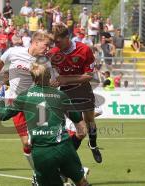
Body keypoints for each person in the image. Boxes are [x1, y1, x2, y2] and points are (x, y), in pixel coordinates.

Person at [0, 61, 89, 186]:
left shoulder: (25, 96)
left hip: (42, 151)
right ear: (49, 77)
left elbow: (2, 116)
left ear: (33, 79)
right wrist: (73, 144)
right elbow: (81, 127)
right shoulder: (61, 95)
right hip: (64, 147)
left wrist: (0, 100)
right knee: (82, 182)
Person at [0, 31, 53, 184]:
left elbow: (49, 81)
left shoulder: (45, 62)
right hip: (15, 103)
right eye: (46, 45)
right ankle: (38, 173)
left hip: (34, 104)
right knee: (26, 144)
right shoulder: (14, 51)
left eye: (49, 46)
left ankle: (53, 170)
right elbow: (1, 61)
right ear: (35, 43)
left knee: (41, 140)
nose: (47, 49)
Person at [48, 24, 102, 163]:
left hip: (83, 88)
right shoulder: (53, 52)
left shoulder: (84, 50)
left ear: (67, 38)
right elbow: (48, 71)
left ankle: (93, 145)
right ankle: (67, 158)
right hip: (66, 92)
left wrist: (65, 79)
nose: (56, 44)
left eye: (58, 41)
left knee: (90, 120)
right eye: (54, 41)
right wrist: (52, 80)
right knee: (80, 129)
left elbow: (89, 76)